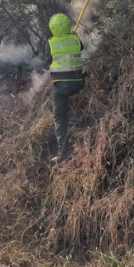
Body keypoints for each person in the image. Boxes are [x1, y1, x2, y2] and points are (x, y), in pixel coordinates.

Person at [45, 13, 85, 164]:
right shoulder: (75, 38)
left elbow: (47, 60)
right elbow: (80, 48)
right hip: (78, 83)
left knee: (59, 118)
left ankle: (63, 153)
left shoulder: (50, 43)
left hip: (62, 87)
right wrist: (71, 36)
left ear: (52, 28)